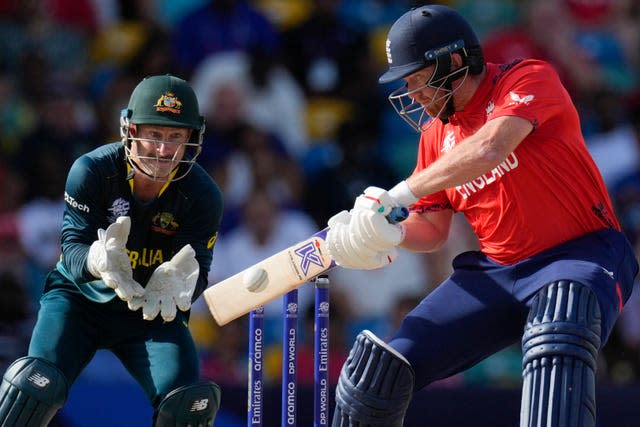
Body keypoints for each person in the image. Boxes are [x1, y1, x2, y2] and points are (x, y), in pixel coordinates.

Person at [324, 4, 639, 426]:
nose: (412, 94)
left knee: (560, 333)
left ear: (454, 62)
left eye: (417, 79)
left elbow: (491, 147)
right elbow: (433, 228)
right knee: (373, 381)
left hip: (580, 254)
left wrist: (399, 193)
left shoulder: (527, 79)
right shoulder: (435, 136)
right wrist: (387, 232)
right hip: (496, 274)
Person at [0, 74, 224, 426]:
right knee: (32, 387)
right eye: (154, 135)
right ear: (131, 132)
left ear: (191, 139)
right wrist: (96, 259)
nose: (164, 151)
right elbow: (72, 248)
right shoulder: (92, 170)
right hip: (79, 301)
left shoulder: (203, 195)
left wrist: (181, 282)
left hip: (149, 310)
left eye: (176, 137)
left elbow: (200, 270)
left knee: (188, 407)